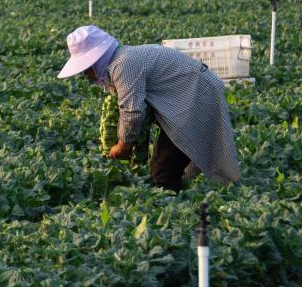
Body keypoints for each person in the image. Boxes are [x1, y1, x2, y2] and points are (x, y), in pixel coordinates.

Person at [57, 25, 240, 190]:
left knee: (163, 171)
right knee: (169, 164)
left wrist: (122, 147)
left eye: (86, 68)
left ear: (95, 60)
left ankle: (175, 214)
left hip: (196, 97)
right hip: (187, 97)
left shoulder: (122, 65)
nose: (86, 74)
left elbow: (132, 112)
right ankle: (183, 199)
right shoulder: (122, 59)